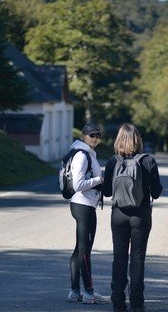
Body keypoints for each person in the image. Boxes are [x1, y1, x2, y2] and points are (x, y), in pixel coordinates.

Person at [103, 123, 163, 312]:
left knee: (118, 258)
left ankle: (118, 303)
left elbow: (106, 192)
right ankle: (137, 303)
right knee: (137, 259)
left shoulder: (113, 161)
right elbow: (157, 192)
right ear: (138, 140)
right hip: (141, 215)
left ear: (119, 140)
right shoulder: (148, 161)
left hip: (118, 214)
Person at [66, 123, 109, 304]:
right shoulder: (82, 156)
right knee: (85, 251)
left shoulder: (86, 153)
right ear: (84, 136)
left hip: (82, 205)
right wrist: (99, 179)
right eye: (91, 135)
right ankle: (89, 293)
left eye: (97, 135)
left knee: (79, 250)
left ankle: (75, 291)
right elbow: (78, 184)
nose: (95, 138)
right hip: (83, 205)